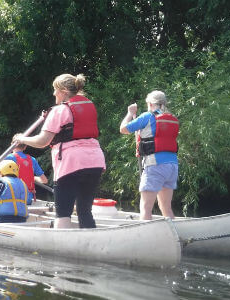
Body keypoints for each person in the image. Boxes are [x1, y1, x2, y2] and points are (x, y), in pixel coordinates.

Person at [13, 73, 106, 229]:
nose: (53, 93)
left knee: (63, 213)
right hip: (95, 162)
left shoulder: (59, 111)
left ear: (63, 90)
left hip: (71, 164)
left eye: (55, 90)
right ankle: (91, 246)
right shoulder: (89, 105)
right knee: (84, 210)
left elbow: (42, 141)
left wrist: (22, 139)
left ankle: (63, 249)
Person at [119, 90, 179, 220]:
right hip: (172, 166)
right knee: (166, 208)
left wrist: (130, 114)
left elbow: (123, 129)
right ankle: (175, 236)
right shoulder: (173, 118)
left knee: (146, 208)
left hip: (155, 165)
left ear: (150, 104)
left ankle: (144, 237)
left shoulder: (147, 116)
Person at [0, 140, 48, 205]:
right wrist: (31, 177)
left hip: (11, 198)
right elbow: (44, 180)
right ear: (25, 147)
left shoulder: (8, 157)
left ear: (12, 145)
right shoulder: (32, 159)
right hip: (27, 199)